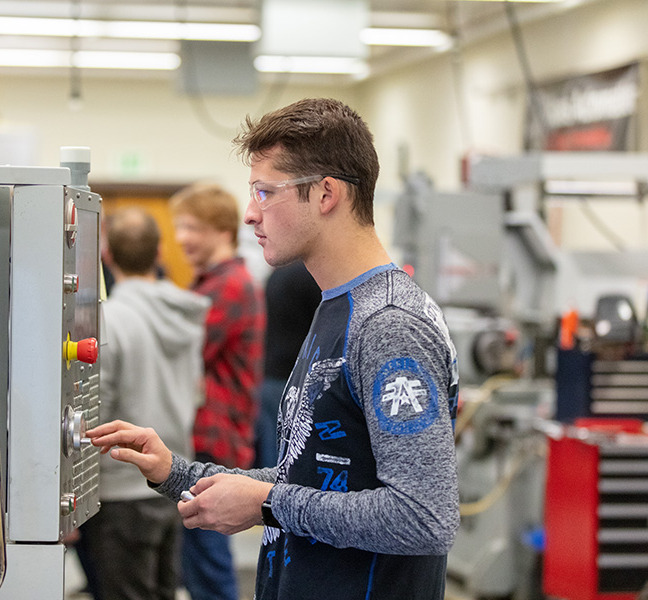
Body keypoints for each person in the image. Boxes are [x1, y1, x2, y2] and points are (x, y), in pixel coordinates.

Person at [87, 98, 460, 600]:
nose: (249, 214)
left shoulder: (389, 325)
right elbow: (313, 474)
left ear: (326, 193)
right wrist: (178, 472)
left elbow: (424, 516)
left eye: (265, 192)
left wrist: (268, 503)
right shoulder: (337, 306)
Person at [77, 207, 210, 600]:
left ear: (107, 256)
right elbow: (197, 391)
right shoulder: (187, 314)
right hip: (172, 480)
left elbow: (96, 407)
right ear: (159, 253)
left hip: (120, 490)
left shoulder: (109, 320)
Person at [169, 183, 266, 600]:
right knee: (196, 560)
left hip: (215, 437)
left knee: (208, 564)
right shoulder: (209, 284)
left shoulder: (229, 287)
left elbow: (182, 352)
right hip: (204, 435)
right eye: (179, 227)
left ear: (221, 230)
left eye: (191, 227)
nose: (181, 238)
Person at [255, 261, 320, 469]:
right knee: (290, 456)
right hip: (293, 378)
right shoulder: (310, 276)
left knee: (272, 450)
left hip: (270, 375)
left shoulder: (276, 275)